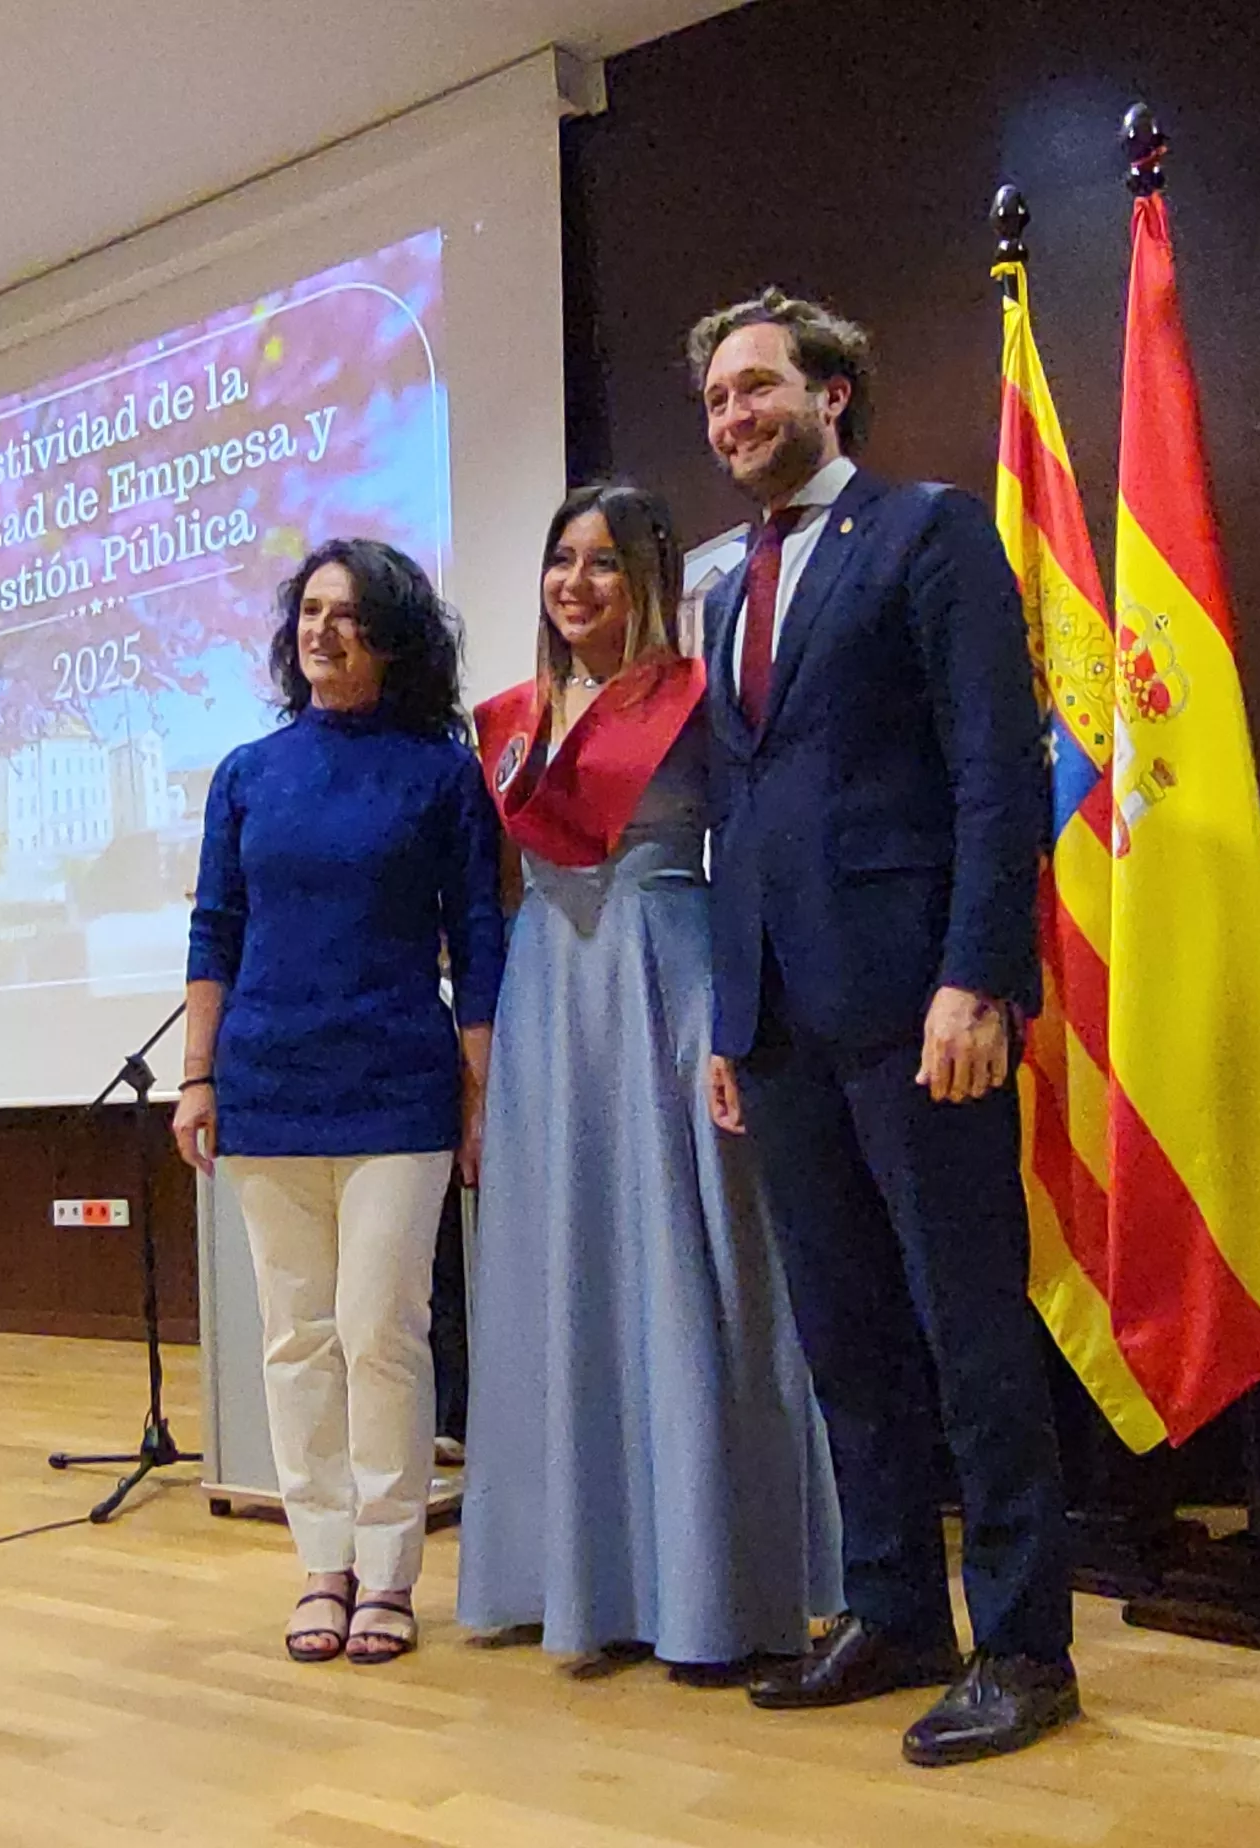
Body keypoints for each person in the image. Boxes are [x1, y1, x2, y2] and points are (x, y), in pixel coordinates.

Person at [688, 288, 1071, 1765]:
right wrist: (732, 1016)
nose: (734, 418)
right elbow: (739, 813)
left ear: (833, 393)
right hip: (780, 1023)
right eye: (718, 399)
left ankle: (1028, 1649)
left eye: (758, 387)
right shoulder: (730, 589)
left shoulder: (928, 533)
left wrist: (979, 977)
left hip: (923, 1012)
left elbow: (995, 768)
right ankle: (894, 1609)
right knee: (846, 1337)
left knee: (969, 1328)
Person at [457, 482, 841, 1680]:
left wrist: (739, 1018)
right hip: (547, 1002)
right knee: (562, 1265)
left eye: (604, 565)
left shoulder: (697, 696)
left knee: (692, 1263)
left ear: (651, 578)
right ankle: (570, 1573)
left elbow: (754, 858)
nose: (575, 584)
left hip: (667, 981)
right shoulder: (511, 720)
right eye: (560, 561)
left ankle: (712, 1584)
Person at [173, 538, 505, 1669]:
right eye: (310, 611)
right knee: (295, 1338)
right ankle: (322, 1562)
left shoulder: (440, 774)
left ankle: (391, 1570)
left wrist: (479, 1096)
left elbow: (478, 941)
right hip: (266, 1085)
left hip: (397, 1087)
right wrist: (196, 1077)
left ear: (393, 636)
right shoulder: (246, 775)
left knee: (380, 1332)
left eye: (349, 614)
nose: (323, 630)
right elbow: (213, 930)